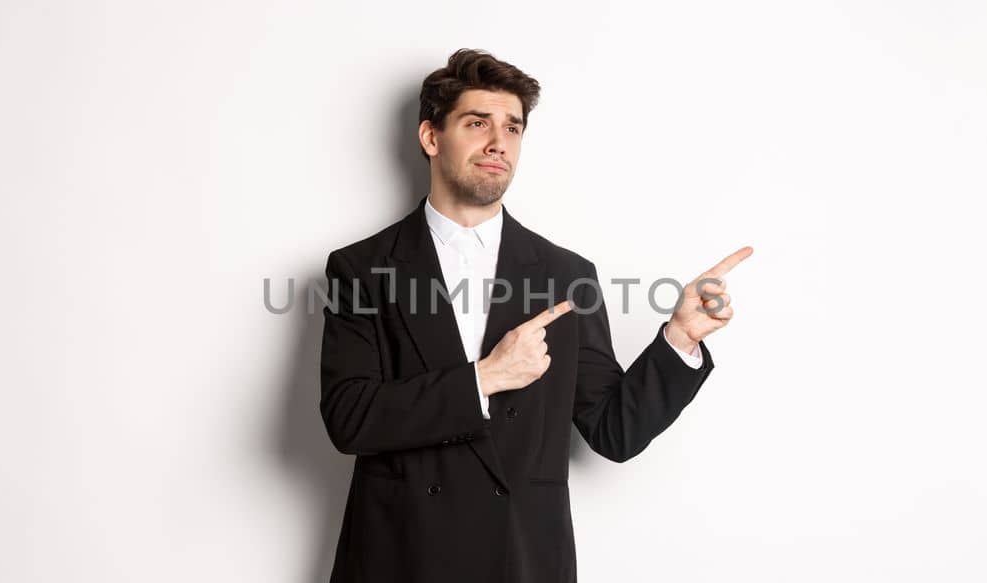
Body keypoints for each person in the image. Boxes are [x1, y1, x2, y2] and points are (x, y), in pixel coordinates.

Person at [318, 48, 751, 583]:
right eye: (477, 123)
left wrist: (679, 339)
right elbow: (348, 417)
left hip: (520, 559)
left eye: (513, 128)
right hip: (399, 554)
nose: (498, 141)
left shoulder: (567, 274)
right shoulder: (361, 267)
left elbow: (613, 432)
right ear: (431, 137)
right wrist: (484, 379)